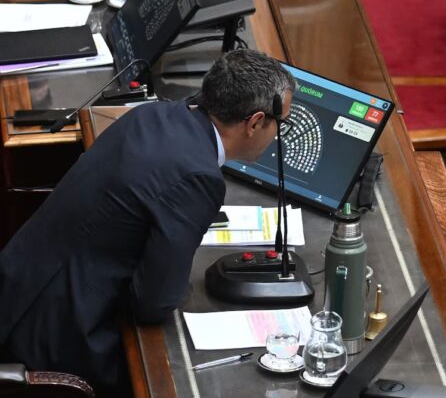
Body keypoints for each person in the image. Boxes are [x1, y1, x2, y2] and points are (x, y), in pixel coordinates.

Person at [0, 49, 297, 397]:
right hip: (58, 340)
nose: (277, 134)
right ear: (255, 122)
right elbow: (153, 302)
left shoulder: (154, 114)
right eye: (281, 123)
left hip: (16, 290)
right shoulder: (197, 176)